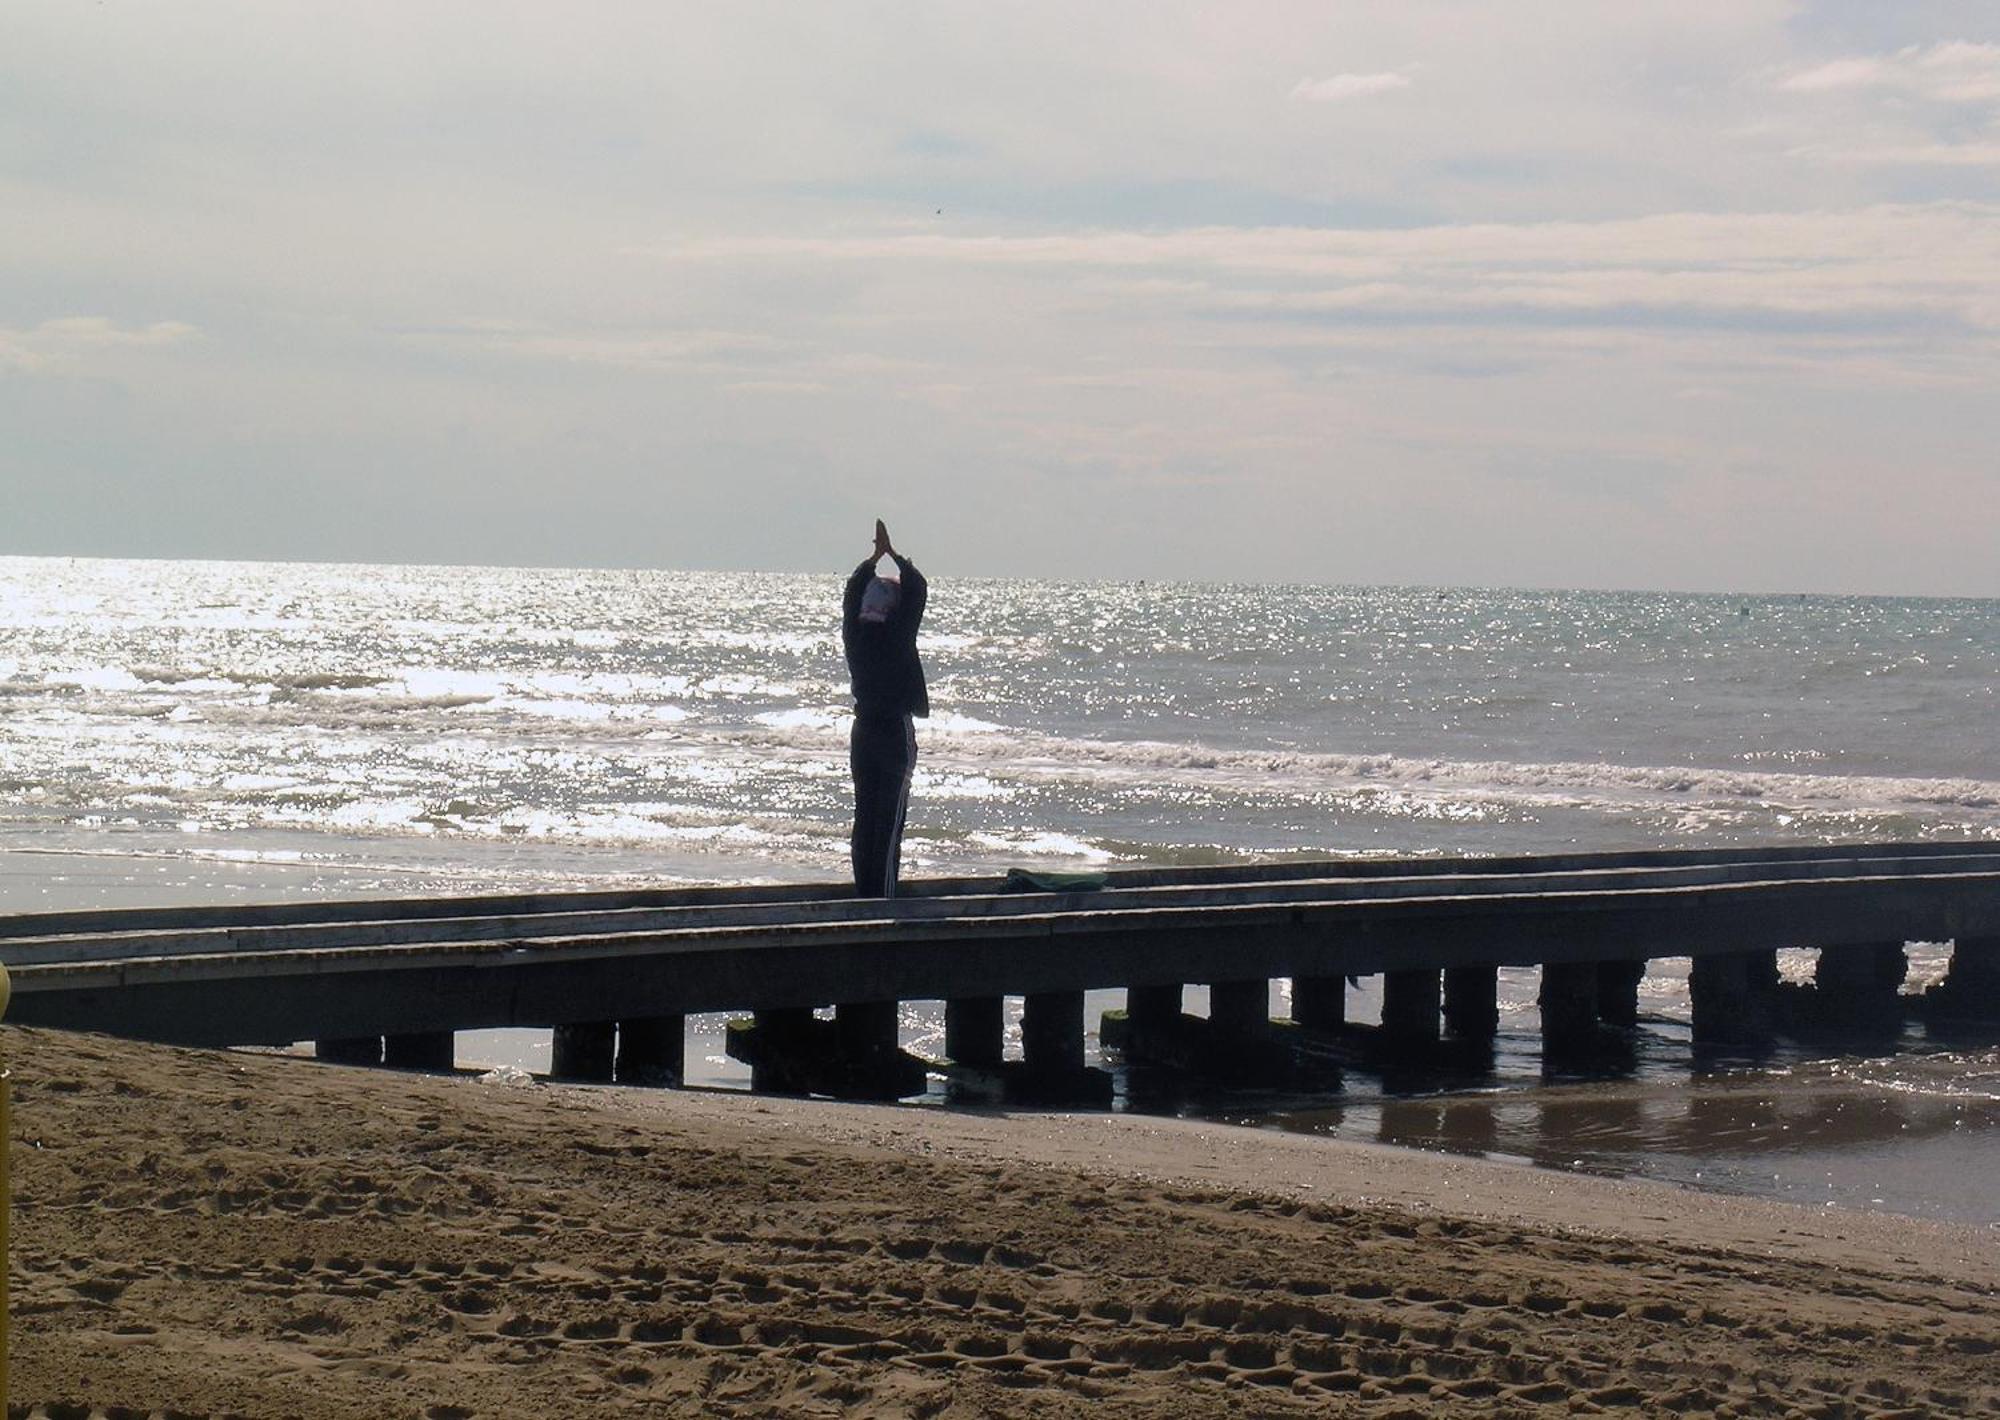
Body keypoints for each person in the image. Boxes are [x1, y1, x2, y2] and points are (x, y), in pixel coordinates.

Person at [842, 519, 928, 898]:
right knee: (889, 824)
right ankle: (884, 902)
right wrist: (893, 556)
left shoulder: (855, 636)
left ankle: (866, 894)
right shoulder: (897, 636)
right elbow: (918, 590)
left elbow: (850, 595)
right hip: (893, 731)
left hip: (862, 732)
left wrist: (872, 561)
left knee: (866, 818)